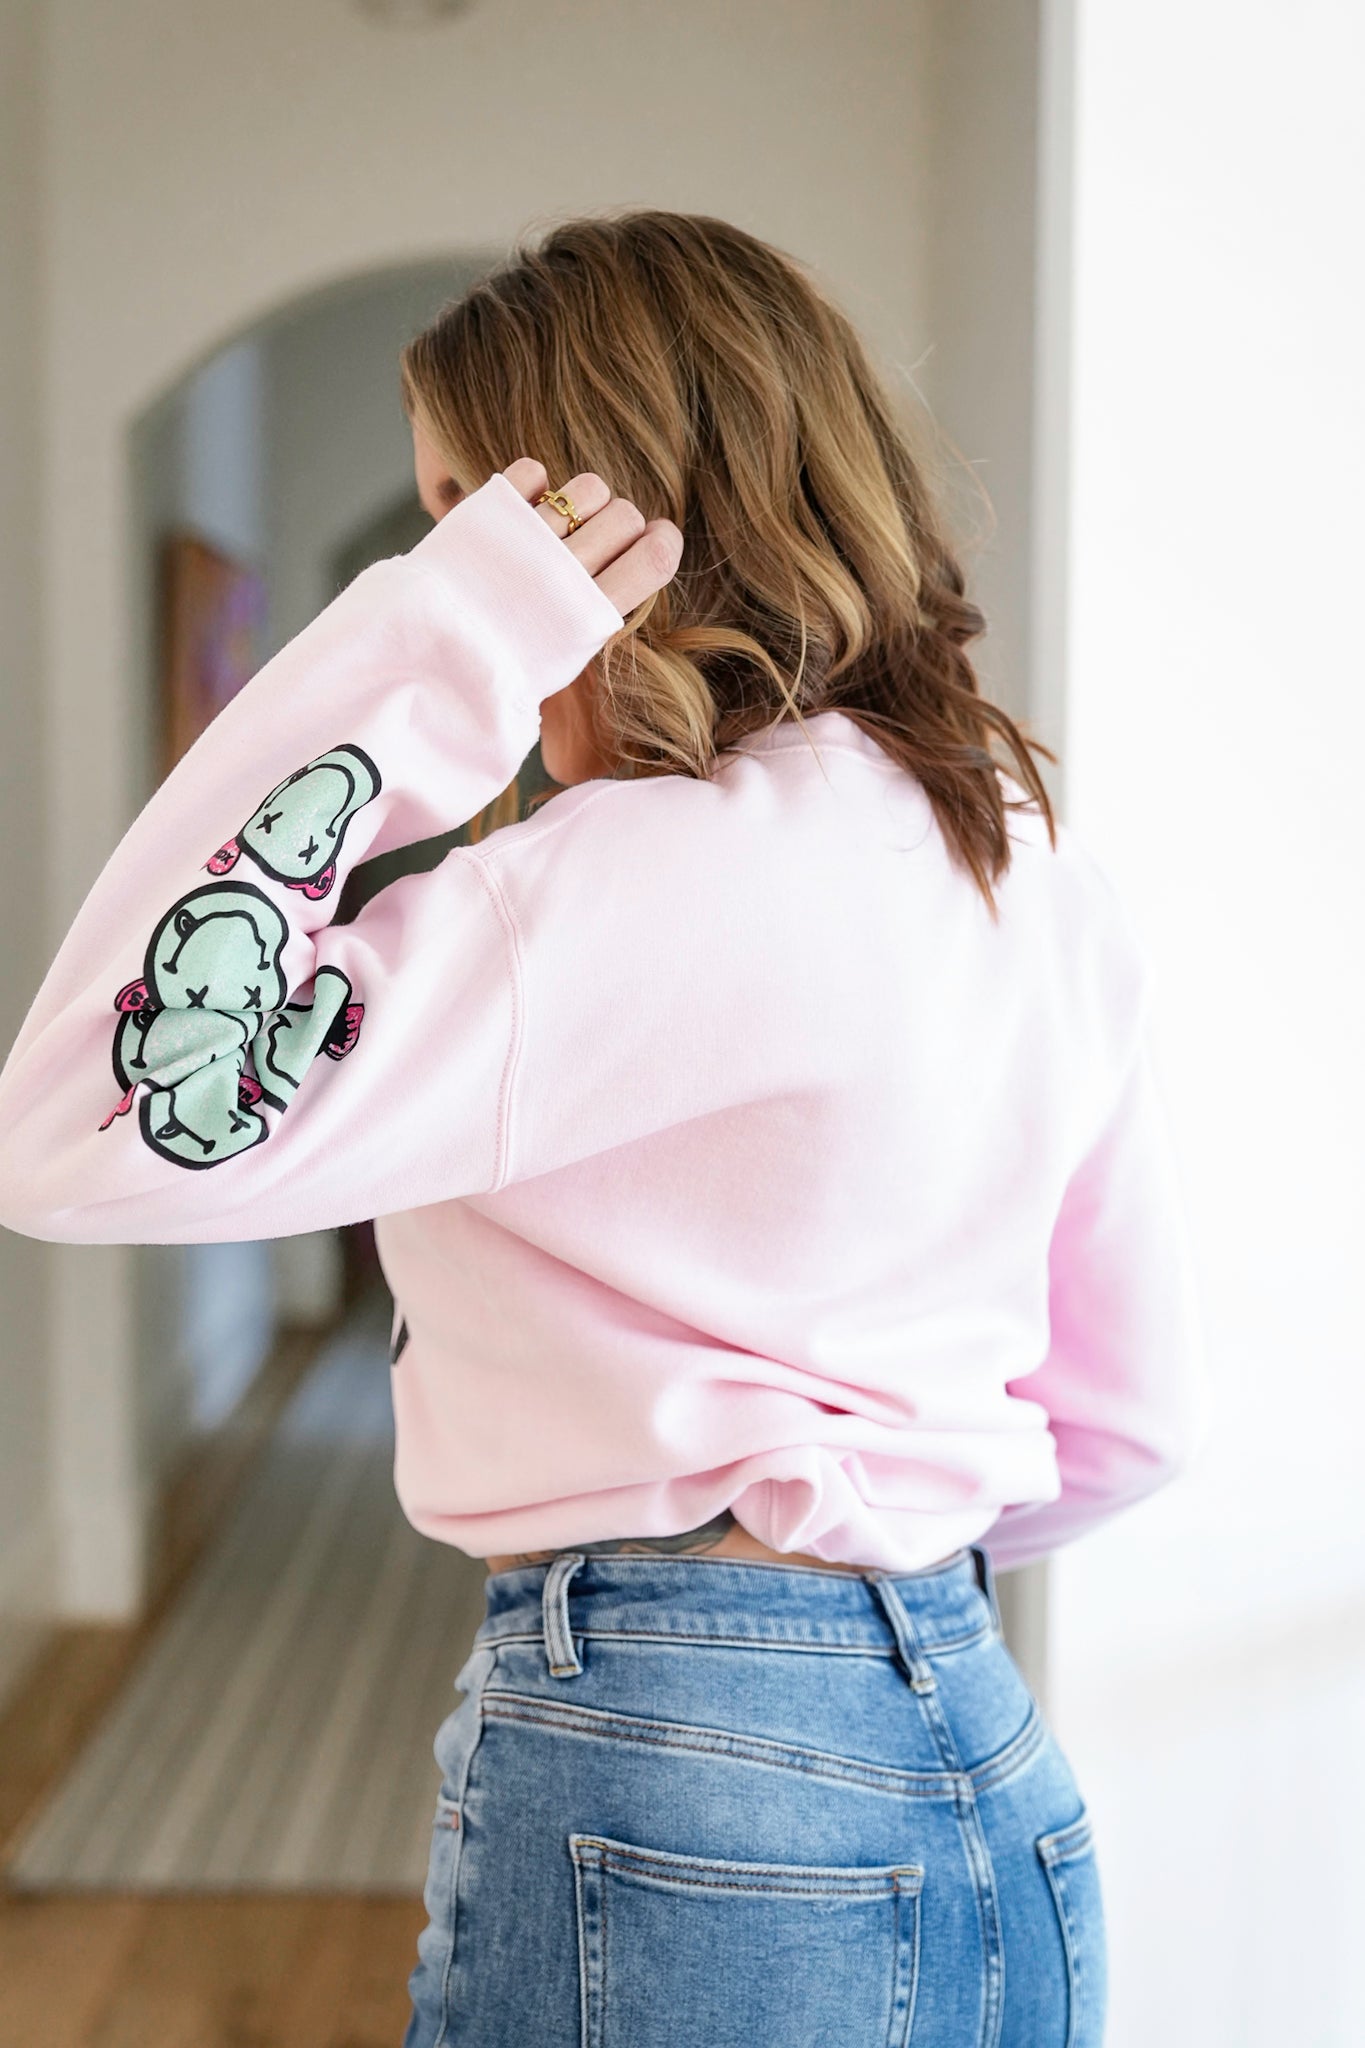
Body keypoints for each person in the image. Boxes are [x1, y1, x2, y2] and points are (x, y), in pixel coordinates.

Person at [0, 208, 1211, 2046]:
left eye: (459, 526)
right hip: (987, 1769)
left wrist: (439, 647)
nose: (443, 569)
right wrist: (850, 1601)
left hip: (677, 1774)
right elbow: (1126, 1425)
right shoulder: (1023, 864)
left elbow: (85, 1118)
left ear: (588, 542)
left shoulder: (600, 889)